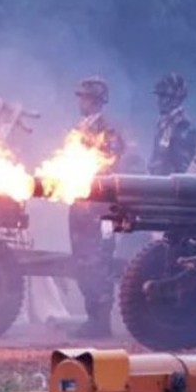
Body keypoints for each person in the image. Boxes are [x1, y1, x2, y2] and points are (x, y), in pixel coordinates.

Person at [68, 76, 126, 339]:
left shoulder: (107, 130)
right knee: (82, 261)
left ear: (96, 100)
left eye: (85, 97)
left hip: (100, 209)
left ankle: (100, 321)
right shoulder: (80, 128)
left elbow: (108, 166)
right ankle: (92, 317)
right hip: (82, 204)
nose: (81, 101)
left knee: (98, 262)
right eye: (80, 96)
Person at [148, 73, 196, 176]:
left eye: (163, 96)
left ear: (176, 98)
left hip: (170, 188)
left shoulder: (183, 126)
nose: (159, 101)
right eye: (159, 96)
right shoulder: (164, 123)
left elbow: (182, 168)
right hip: (158, 184)